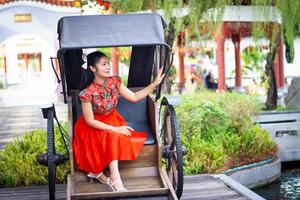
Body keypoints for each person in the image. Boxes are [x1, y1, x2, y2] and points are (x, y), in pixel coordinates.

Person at [73, 51, 165, 192]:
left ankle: (100, 175)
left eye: (108, 63)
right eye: (103, 64)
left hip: (113, 118)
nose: (108, 66)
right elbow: (90, 120)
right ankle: (116, 180)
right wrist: (115, 129)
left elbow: (134, 97)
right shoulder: (87, 93)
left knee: (119, 135)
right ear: (92, 68)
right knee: (113, 135)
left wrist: (154, 84)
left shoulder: (115, 82)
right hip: (91, 126)